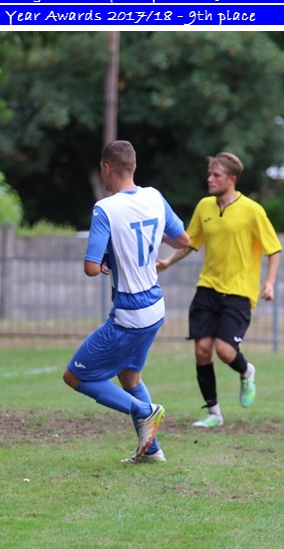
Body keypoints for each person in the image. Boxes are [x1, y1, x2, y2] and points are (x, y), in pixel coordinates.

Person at [63, 140, 190, 463]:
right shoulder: (154, 197)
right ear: (133, 167)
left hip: (129, 314)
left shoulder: (105, 208)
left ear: (107, 168)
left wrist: (106, 260)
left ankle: (144, 410)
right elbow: (183, 240)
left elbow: (91, 268)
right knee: (130, 378)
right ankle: (152, 450)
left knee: (75, 376)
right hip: (155, 308)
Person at [156, 152, 281, 428]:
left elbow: (274, 249)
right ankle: (214, 413)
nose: (210, 179)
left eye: (217, 175)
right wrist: (167, 261)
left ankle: (246, 370)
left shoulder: (252, 210)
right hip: (207, 288)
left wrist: (269, 282)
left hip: (239, 292)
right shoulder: (204, 206)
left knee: (225, 351)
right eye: (210, 174)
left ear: (232, 179)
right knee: (202, 351)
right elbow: (191, 242)